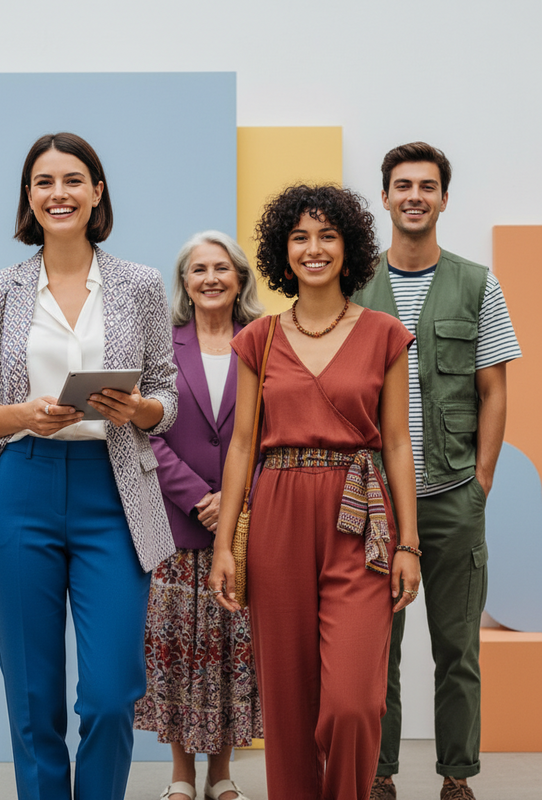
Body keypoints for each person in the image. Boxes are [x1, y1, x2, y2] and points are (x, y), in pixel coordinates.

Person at [0, 132, 178, 800]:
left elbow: (168, 396)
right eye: (44, 182)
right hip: (21, 487)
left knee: (112, 694)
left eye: (73, 180)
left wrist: (137, 409)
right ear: (29, 197)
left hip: (112, 494)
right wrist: (22, 415)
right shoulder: (0, 288)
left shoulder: (140, 284)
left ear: (97, 192)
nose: (60, 193)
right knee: (33, 698)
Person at [209, 184, 421, 800]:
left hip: (359, 517)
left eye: (328, 235)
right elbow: (243, 445)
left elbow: (399, 446)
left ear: (349, 248)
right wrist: (226, 547)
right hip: (277, 511)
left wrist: (409, 544)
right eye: (300, 236)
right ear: (283, 251)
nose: (314, 248)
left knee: (354, 704)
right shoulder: (260, 339)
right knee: (290, 706)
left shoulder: (384, 333)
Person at [354, 143, 521, 800]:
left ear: (444, 199)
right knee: (374, 652)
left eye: (427, 185)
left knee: (457, 650)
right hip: (372, 501)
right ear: (387, 198)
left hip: (452, 495)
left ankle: (457, 775)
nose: (415, 195)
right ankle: (380, 774)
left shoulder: (477, 283)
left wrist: (481, 482)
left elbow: (495, 390)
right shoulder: (355, 285)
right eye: (403, 185)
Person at [134, 231, 264, 800]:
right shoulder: (160, 345)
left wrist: (235, 503)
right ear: (184, 282)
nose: (210, 278)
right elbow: (143, 431)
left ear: (239, 279)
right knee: (177, 652)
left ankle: (222, 774)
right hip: (175, 522)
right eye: (197, 269)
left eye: (221, 268)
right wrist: (198, 496)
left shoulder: (263, 343)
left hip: (241, 529)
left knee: (233, 649)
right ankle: (182, 775)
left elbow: (272, 435)